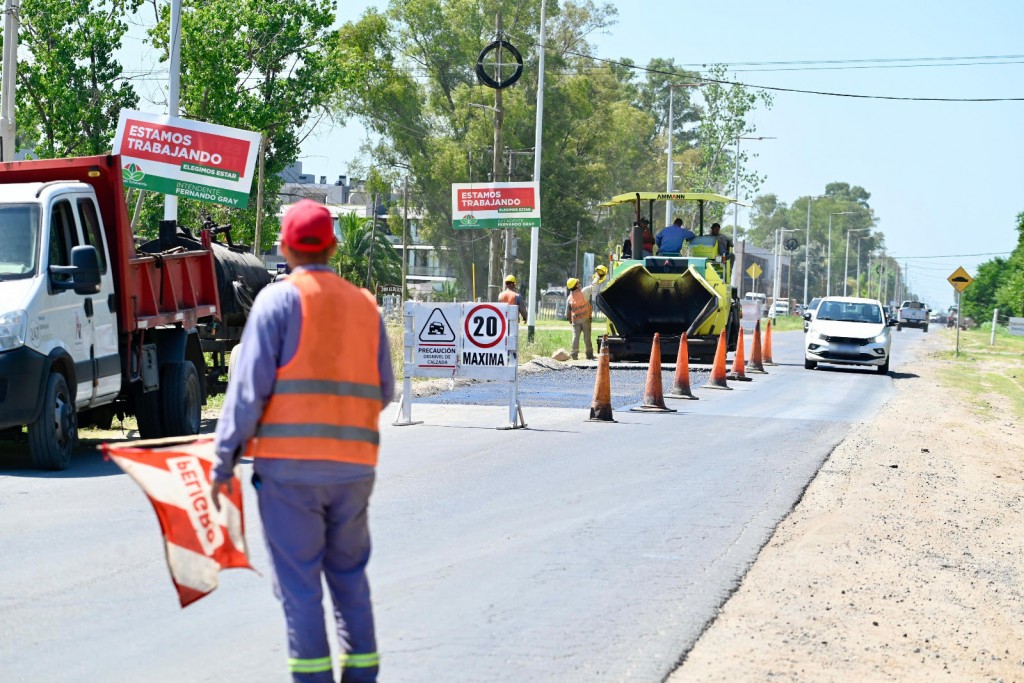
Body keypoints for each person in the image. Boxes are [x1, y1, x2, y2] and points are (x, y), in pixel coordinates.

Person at [211, 199, 393, 683]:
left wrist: (223, 459)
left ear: (285, 247)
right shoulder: (365, 306)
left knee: (301, 588)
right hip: (354, 471)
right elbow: (385, 390)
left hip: (289, 473)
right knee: (350, 579)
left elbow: (247, 393)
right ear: (332, 247)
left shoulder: (276, 302)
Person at [565, 277, 594, 360]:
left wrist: (570, 320)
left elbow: (567, 312)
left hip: (575, 321)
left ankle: (574, 354)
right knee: (587, 337)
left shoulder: (569, 298)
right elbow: (592, 287)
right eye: (577, 283)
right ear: (576, 285)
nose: (579, 284)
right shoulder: (583, 292)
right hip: (586, 320)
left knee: (575, 337)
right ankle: (589, 355)